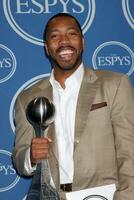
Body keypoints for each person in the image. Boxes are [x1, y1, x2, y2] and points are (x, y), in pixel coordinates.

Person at [13, 13, 134, 200]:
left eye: (72, 34)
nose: (64, 41)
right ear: (47, 48)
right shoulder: (27, 98)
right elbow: (20, 158)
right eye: (55, 36)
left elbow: (129, 151)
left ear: (82, 42)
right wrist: (31, 156)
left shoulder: (114, 84)